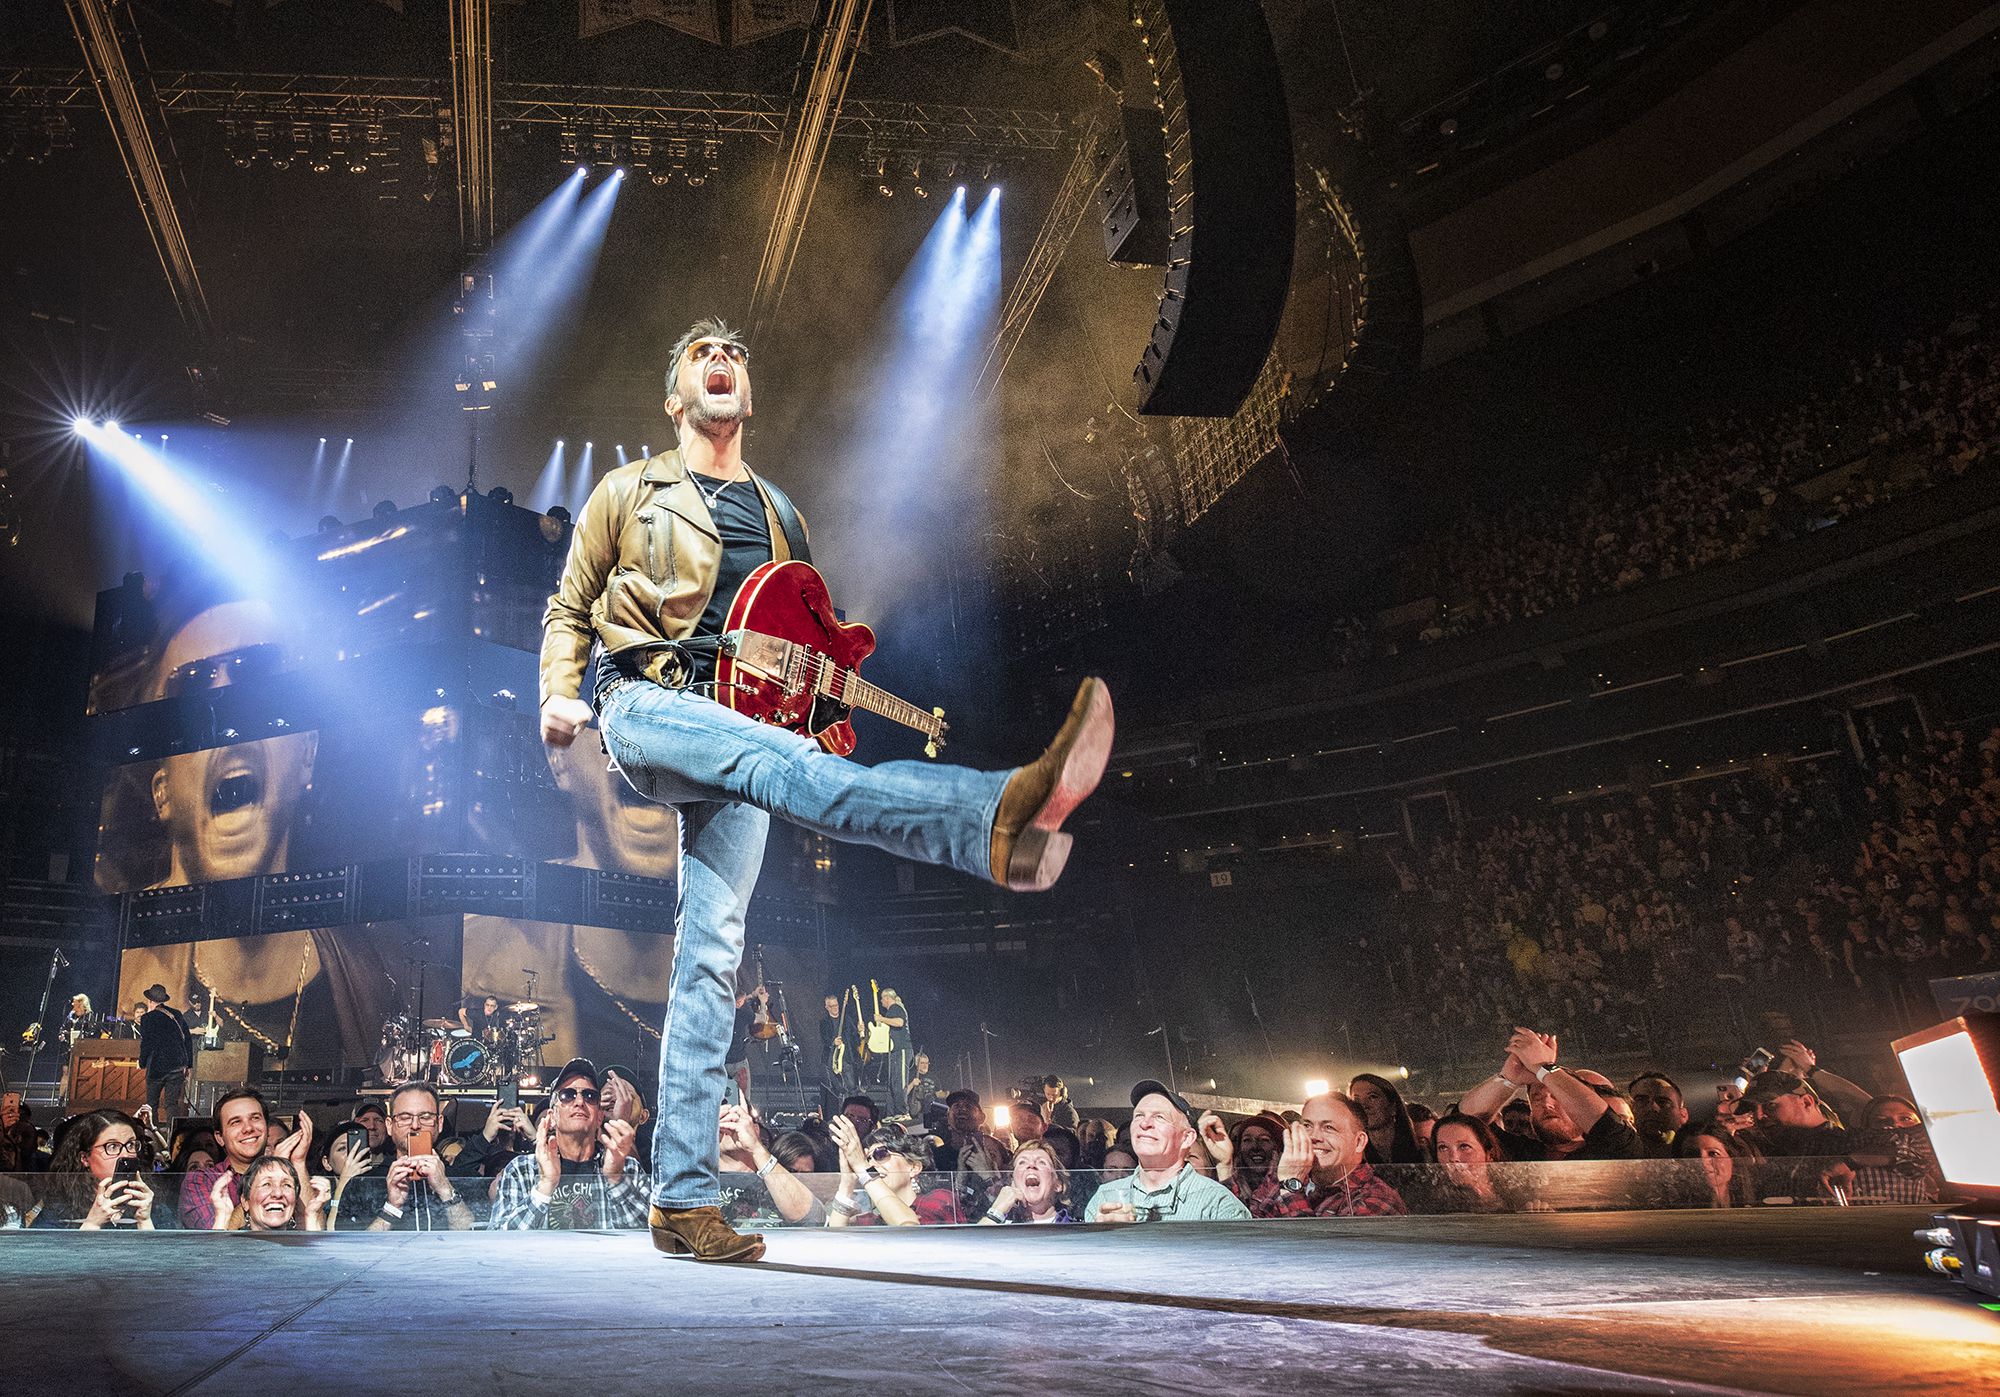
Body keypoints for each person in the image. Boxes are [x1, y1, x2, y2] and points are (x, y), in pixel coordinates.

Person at [538, 317, 1115, 1260]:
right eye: (700, 356)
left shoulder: (780, 513)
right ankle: (988, 816)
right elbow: (572, 601)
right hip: (646, 700)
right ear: (676, 397)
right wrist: (560, 692)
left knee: (712, 958)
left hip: (752, 728)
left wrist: (816, 707)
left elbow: (801, 647)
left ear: (748, 394)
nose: (721, 361)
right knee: (783, 771)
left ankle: (681, 1200)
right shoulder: (626, 489)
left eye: (735, 354)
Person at [491, 1059, 650, 1230]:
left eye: (590, 1096)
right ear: (552, 1116)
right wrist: (545, 1186)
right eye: (567, 1095)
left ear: (599, 1117)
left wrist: (615, 1178)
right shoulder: (522, 1170)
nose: (580, 1102)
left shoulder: (628, 1169)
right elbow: (500, 1244)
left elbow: (648, 1237)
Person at [1457, 1028, 1642, 1162]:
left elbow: (1603, 1122)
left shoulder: (1616, 1147)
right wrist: (1508, 1078)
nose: (1546, 1103)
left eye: (1556, 1096)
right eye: (1536, 1097)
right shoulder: (1520, 1153)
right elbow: (1462, 1122)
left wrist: (1545, 1067)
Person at [1084, 1081, 1250, 1223]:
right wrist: (1101, 1240)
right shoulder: (1105, 1197)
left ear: (1186, 1138)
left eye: (1159, 1117)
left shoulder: (1217, 1203)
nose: (1145, 1123)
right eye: (1139, 1115)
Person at [336, 1082, 478, 1231]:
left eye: (425, 1117)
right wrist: (391, 1207)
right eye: (405, 1117)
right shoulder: (363, 1184)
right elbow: (356, 1250)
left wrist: (445, 1189)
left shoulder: (466, 1179)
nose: (415, 1125)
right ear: (390, 1125)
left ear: (439, 1123)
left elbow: (473, 1244)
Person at [1247, 1093, 1408, 1219]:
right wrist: (1225, 1165)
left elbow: (1322, 1256)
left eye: (1329, 1127)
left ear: (1359, 1142)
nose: (1314, 1136)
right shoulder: (1286, 1175)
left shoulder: (1377, 1199)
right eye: (1308, 1125)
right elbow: (1248, 1225)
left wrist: (1291, 1188)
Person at [32, 1110, 170, 1229]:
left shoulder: (153, 1205)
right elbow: (40, 1256)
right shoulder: (61, 1208)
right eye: (112, 1147)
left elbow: (173, 1257)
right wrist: (92, 1223)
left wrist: (145, 1222)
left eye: (130, 1145)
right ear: (85, 1158)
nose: (126, 1155)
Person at [825, 1116, 961, 1225]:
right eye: (867, 1159)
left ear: (914, 1167)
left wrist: (863, 1168)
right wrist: (846, 1185)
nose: (871, 1164)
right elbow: (835, 1241)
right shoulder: (871, 1220)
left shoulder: (939, 1200)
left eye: (880, 1154)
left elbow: (908, 1227)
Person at [179, 1088, 281, 1229]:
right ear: (220, 1138)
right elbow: (212, 1241)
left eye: (255, 1118)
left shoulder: (287, 1175)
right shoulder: (201, 1180)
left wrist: (297, 1164)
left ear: (267, 1127)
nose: (248, 1128)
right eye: (235, 1122)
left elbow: (310, 1229)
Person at [716, 1101, 824, 1227]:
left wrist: (756, 1147)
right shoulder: (697, 1179)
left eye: (735, 1119)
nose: (729, 1127)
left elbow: (813, 1218)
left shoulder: (775, 1178)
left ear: (756, 1129)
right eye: (722, 1120)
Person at [211, 1154, 328, 1232]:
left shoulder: (300, 1246)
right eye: (266, 1184)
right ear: (245, 1201)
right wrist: (222, 1217)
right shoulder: (234, 1246)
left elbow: (317, 1266)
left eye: (286, 1185)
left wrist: (313, 1215)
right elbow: (213, 1265)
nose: (277, 1193)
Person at [1428, 1112, 1513, 1214]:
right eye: (1443, 1147)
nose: (1453, 1158)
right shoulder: (1430, 1203)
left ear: (1489, 1154)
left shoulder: (1517, 1194)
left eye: (1464, 1146)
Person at [977, 1138, 1075, 1224]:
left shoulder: (1074, 1230)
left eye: (1042, 1162)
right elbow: (975, 1243)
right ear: (1013, 1183)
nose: (1031, 1165)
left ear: (1058, 1184)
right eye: (1022, 1162)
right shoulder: (1001, 1226)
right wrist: (996, 1212)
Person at [136, 983, 194, 1124]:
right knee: (171, 1104)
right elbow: (187, 1040)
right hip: (177, 1066)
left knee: (151, 1104)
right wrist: (189, 1064)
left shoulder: (147, 1019)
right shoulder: (177, 1014)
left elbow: (147, 1044)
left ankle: (153, 1136)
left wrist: (142, 1062)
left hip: (157, 1067)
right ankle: (173, 1136)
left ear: (150, 1001)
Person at [1199, 1110, 1284, 1204]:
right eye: (1247, 1140)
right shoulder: (1232, 1182)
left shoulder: (1287, 1185)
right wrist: (1225, 1164)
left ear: (1278, 1146)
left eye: (1264, 1139)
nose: (1255, 1147)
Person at [1348, 1073, 1426, 1166]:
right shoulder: (1350, 1158)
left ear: (1393, 1106)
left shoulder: (1422, 1152)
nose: (1364, 1105)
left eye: (1372, 1097)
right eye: (1356, 1100)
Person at [1674, 1129, 1759, 1209]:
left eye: (1713, 1153)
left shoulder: (1757, 1199)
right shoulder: (1672, 1206)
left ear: (1732, 1159)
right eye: (1692, 1155)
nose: (1703, 1162)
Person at [1628, 1073, 1690, 1158]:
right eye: (1641, 1101)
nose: (1652, 1108)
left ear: (1683, 1115)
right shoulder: (1610, 1152)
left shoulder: (1698, 1153)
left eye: (1663, 1102)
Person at [905, 1051, 942, 1120]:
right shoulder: (909, 1076)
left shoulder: (934, 1077)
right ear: (916, 1064)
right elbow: (903, 1095)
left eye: (927, 1063)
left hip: (931, 1108)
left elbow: (939, 1094)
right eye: (922, 1063)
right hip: (915, 1109)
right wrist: (912, 1084)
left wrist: (945, 1094)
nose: (925, 1065)